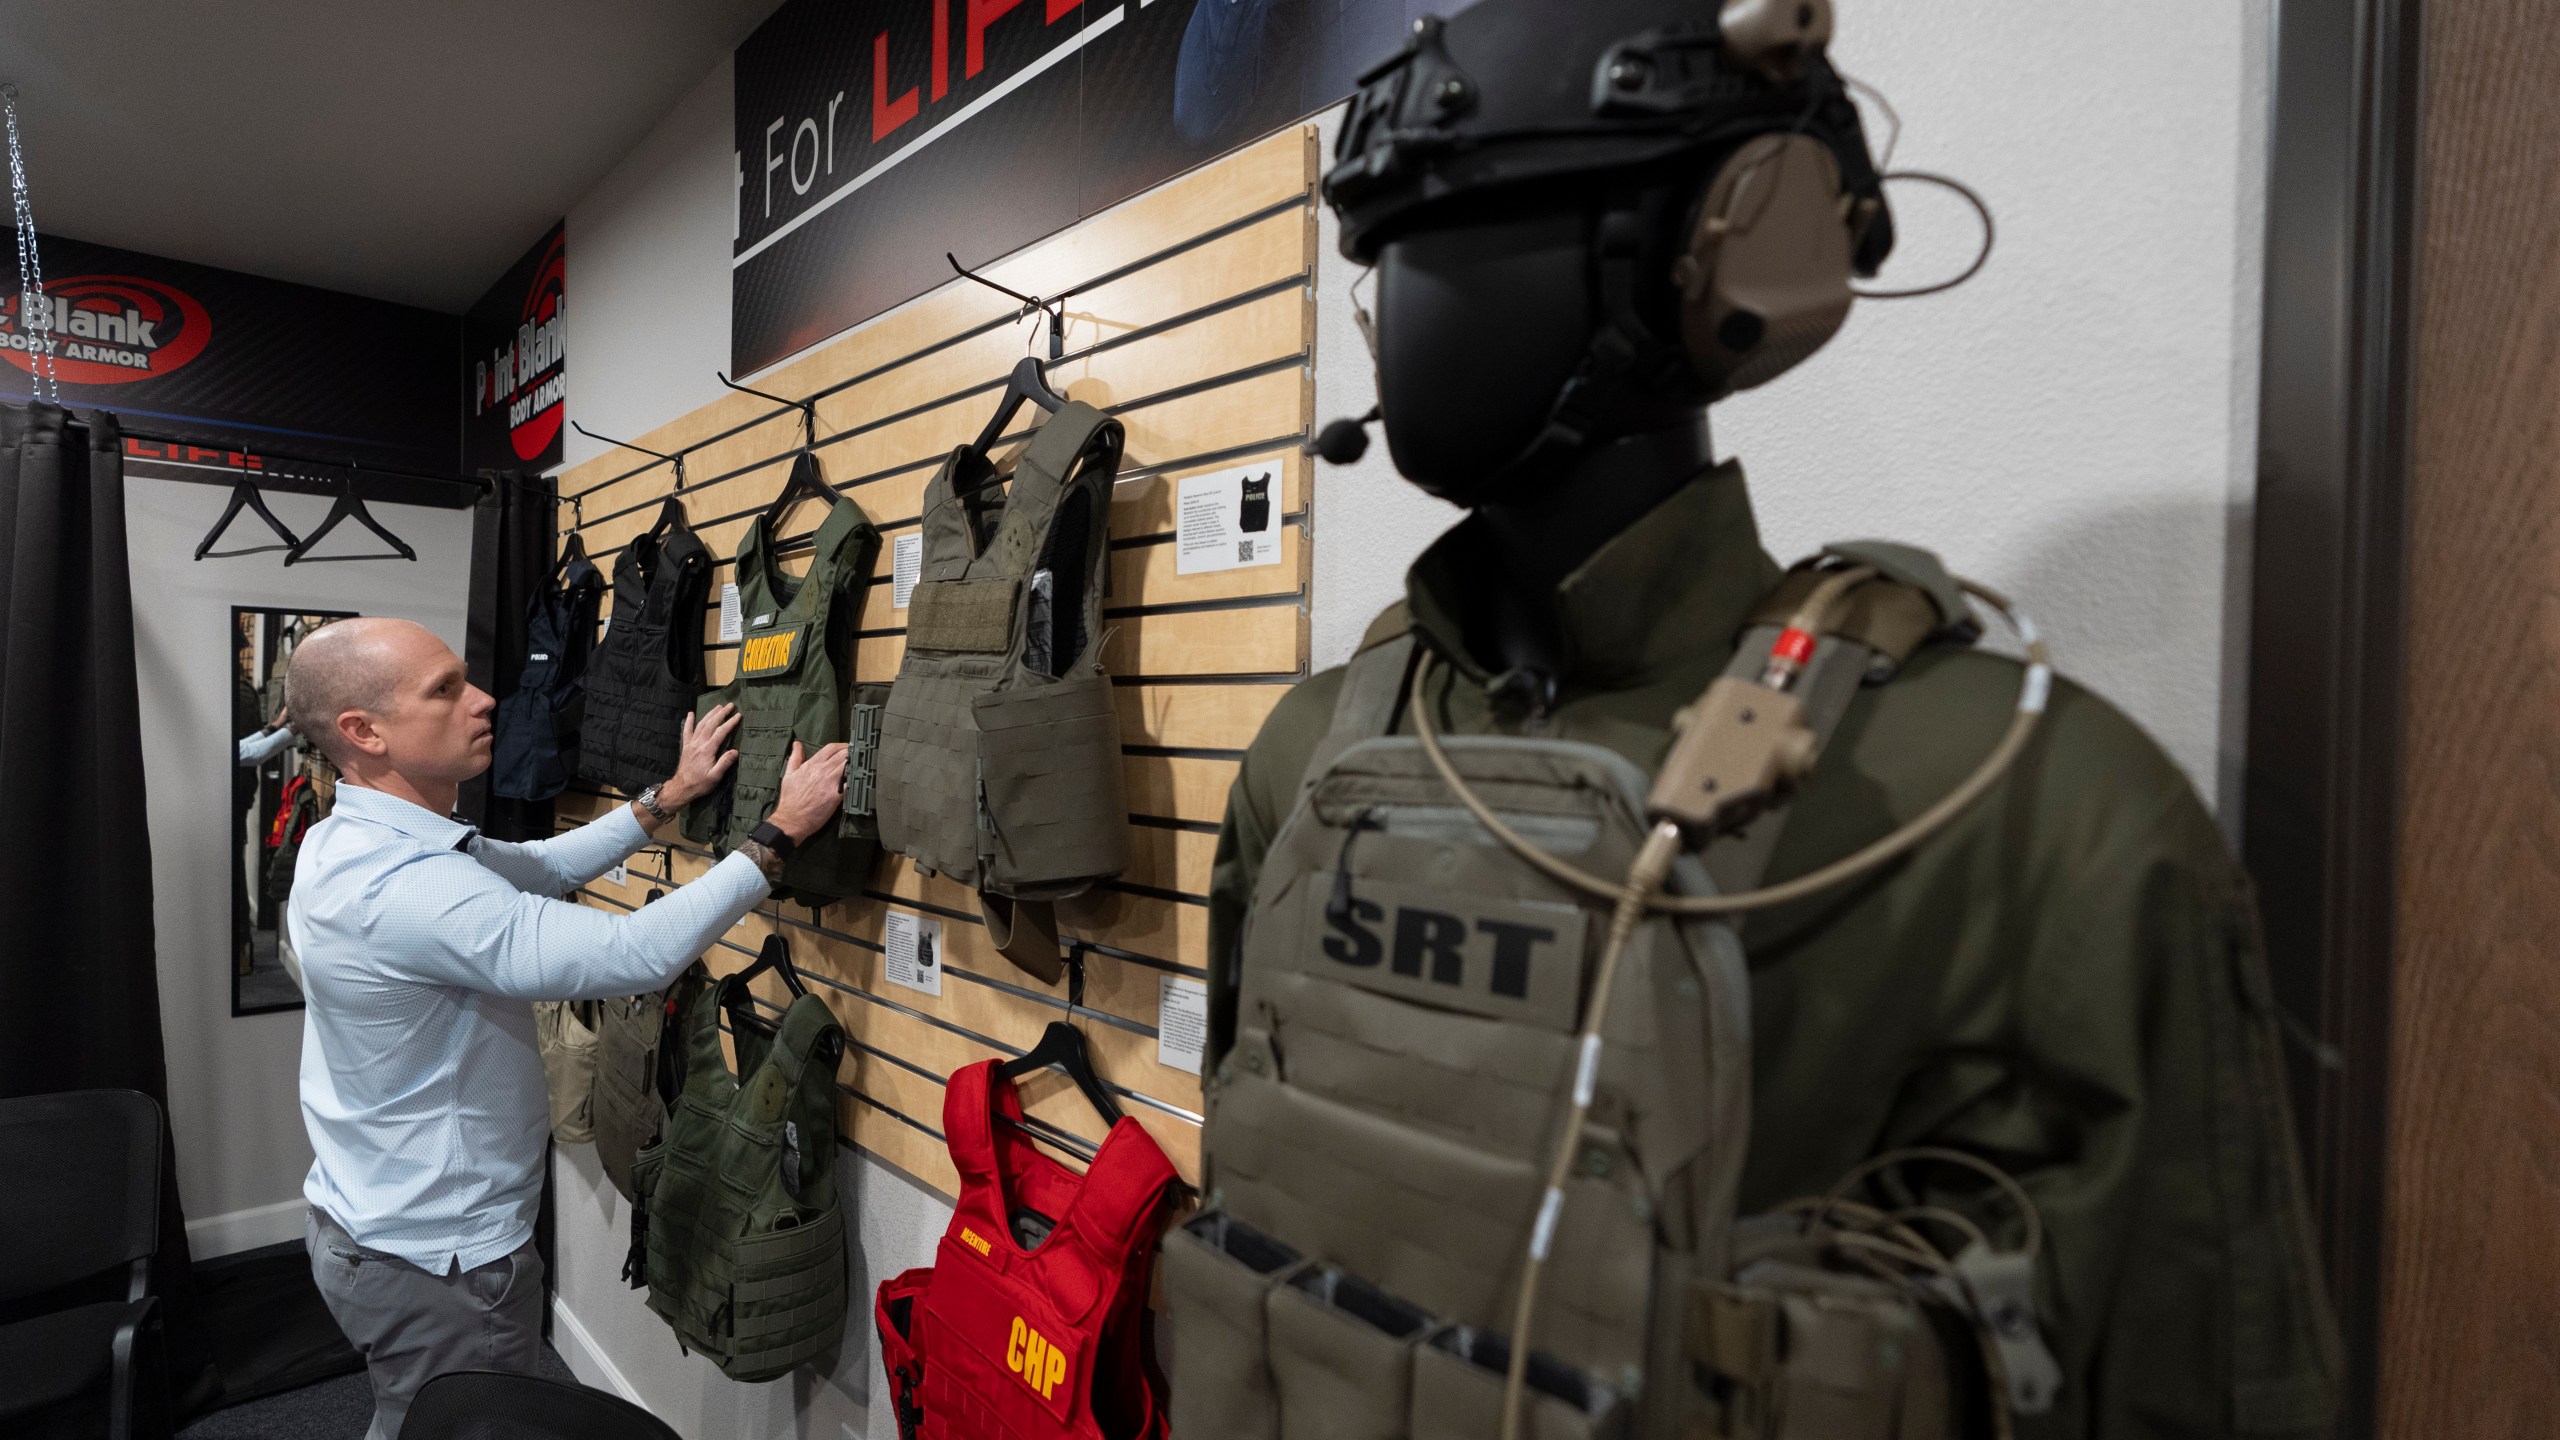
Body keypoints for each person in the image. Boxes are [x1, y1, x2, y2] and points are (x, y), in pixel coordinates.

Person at [1202, 2, 2339, 1433]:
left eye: (1476, 228)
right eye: (1385, 253)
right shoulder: (1315, 759)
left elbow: (2205, 1377)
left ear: (1727, 256)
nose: (1397, 303)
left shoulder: (2028, 813)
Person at [283, 616, 848, 1440]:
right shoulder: (408, 891)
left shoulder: (349, 841)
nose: (484, 700)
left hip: (369, 1230)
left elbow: (538, 868)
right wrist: (777, 836)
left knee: (412, 1417)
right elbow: (634, 951)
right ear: (363, 733)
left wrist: (668, 798)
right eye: (445, 690)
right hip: (440, 1263)